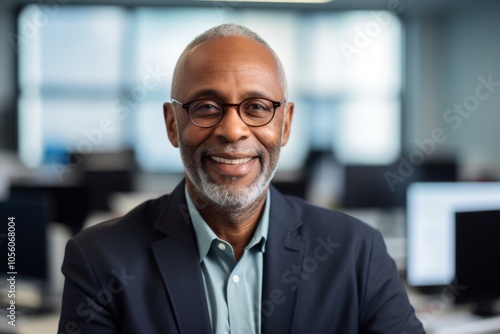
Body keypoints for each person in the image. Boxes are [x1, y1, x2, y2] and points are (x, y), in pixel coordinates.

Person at [58, 23, 425, 334]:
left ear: (286, 124)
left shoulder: (357, 252)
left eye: (257, 108)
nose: (233, 130)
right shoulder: (99, 260)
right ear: (172, 125)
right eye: (205, 107)